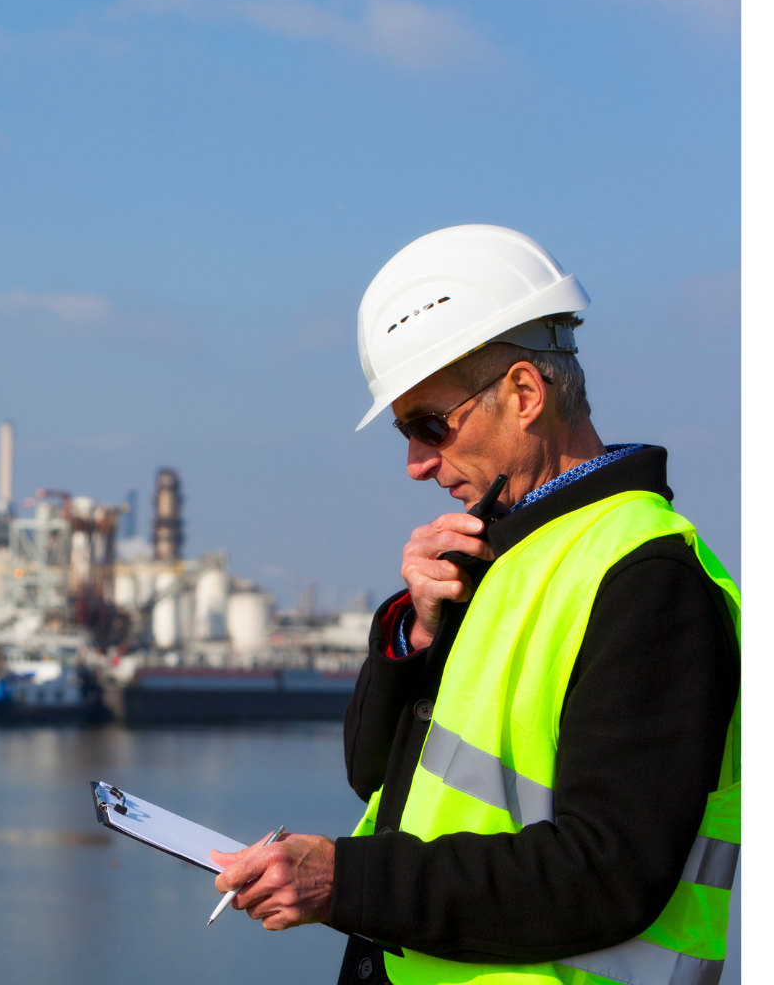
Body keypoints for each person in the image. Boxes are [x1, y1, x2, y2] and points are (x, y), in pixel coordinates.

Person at [207, 225, 743, 985]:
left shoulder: (648, 578)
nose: (416, 463)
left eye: (431, 425)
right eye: (404, 431)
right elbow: (375, 778)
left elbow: (608, 874)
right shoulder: (502, 553)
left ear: (525, 393)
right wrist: (414, 631)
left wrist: (346, 881)